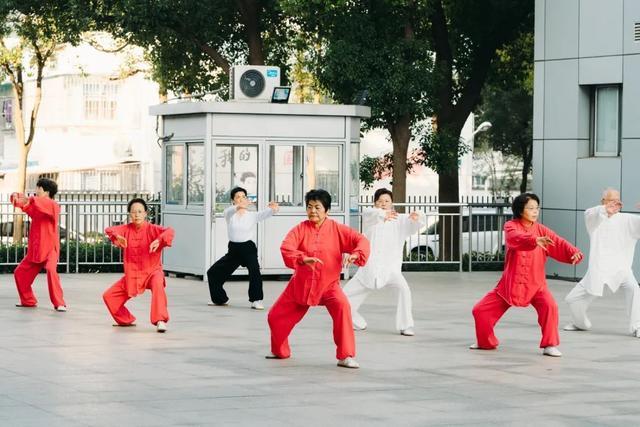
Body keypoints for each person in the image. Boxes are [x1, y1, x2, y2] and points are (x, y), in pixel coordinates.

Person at [470, 193, 583, 357]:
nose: (535, 211)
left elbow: (558, 242)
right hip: (510, 284)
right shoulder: (511, 225)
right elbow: (514, 237)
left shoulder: (542, 230)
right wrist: (533, 240)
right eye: (530, 208)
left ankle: (550, 345)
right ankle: (485, 342)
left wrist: (574, 252)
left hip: (537, 285)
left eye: (537, 208)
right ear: (520, 210)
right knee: (480, 311)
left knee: (550, 307)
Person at [266, 189, 370, 369]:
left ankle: (345, 355)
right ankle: (280, 350)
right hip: (301, 285)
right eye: (309, 207)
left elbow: (361, 240)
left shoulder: (338, 229)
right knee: (274, 316)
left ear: (327, 210)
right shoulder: (300, 229)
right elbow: (286, 247)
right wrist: (302, 258)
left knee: (343, 307)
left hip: (329, 286)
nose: (313, 211)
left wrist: (355, 254)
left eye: (317, 207)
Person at [343, 188, 424, 336]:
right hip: (369, 269)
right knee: (343, 297)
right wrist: (381, 213)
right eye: (380, 201)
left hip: (390, 269)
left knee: (404, 291)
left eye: (387, 201)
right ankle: (356, 321)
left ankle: (406, 326)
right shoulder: (371, 218)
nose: (383, 204)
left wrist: (416, 217)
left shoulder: (399, 220)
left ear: (392, 203)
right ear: (375, 203)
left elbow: (415, 223)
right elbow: (369, 212)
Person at [564, 188, 640, 337]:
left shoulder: (628, 220)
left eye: (616, 200)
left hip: (621, 269)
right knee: (572, 299)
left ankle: (637, 326)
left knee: (634, 289)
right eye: (610, 200)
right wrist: (605, 209)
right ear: (602, 202)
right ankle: (581, 323)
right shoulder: (595, 218)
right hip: (598, 270)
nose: (614, 203)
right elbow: (591, 213)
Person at [102, 198, 174, 333]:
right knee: (109, 296)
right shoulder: (126, 229)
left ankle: (160, 320)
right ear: (130, 214)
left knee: (158, 283)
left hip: (152, 272)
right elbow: (109, 229)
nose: (137, 215)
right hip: (133, 274)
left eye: (140, 212)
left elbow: (169, 231)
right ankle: (126, 319)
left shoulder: (153, 229)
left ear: (145, 213)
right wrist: (117, 236)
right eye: (134, 212)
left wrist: (159, 240)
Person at [207, 187, 279, 310]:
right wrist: (240, 206)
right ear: (233, 200)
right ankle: (220, 299)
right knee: (212, 272)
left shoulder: (252, 216)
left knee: (254, 271)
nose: (241, 199)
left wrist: (274, 208)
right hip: (234, 250)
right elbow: (232, 210)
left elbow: (268, 212)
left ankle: (256, 300)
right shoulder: (229, 214)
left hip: (248, 248)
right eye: (238, 197)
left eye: (243, 197)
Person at [11, 178, 66, 311]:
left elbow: (39, 202)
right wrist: (17, 199)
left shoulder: (53, 205)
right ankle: (28, 300)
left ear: (46, 191)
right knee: (19, 273)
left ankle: (59, 303)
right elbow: (25, 205)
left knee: (51, 270)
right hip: (36, 249)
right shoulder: (37, 204)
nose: (36, 191)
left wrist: (28, 199)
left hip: (50, 248)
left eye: (38, 189)